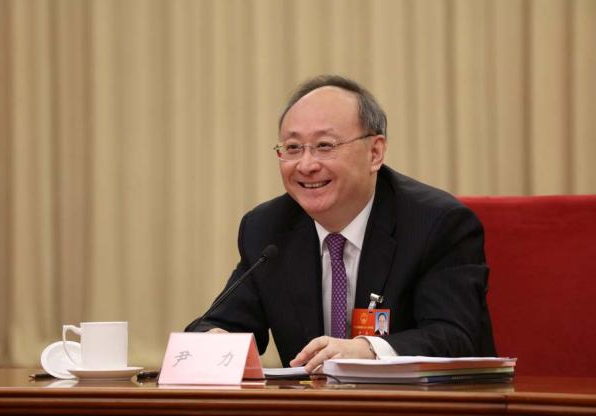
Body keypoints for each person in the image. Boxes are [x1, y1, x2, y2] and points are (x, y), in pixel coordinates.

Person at [186, 75, 496, 372]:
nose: (307, 165)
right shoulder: (267, 229)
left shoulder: (436, 225)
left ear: (375, 153)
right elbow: (220, 323)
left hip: (416, 403)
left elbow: (456, 338)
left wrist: (367, 350)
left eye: (325, 146)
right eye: (293, 148)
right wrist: (214, 339)